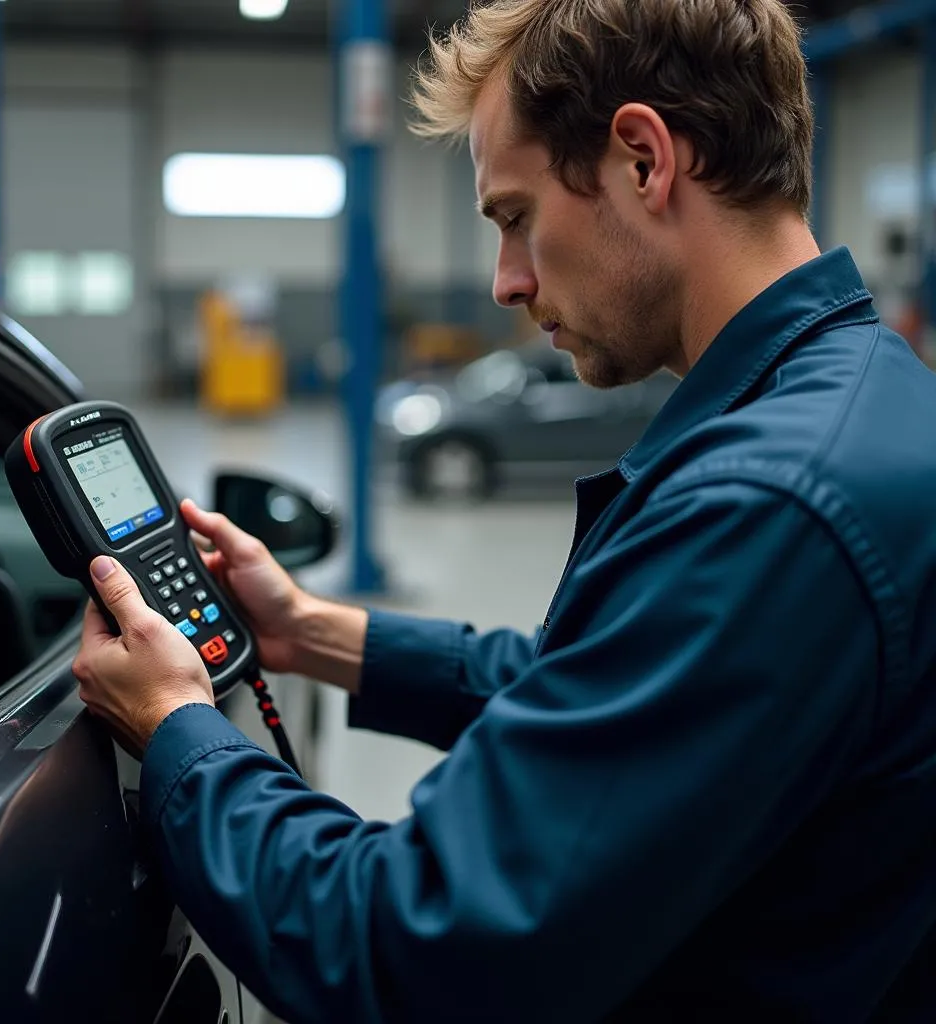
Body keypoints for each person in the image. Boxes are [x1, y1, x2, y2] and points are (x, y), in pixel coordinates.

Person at [73, 0, 936, 1019]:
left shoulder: (766, 505)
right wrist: (312, 631)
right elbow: (616, 696)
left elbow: (414, 945)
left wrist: (177, 730)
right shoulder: (867, 397)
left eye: (515, 215)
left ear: (644, 161)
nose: (504, 282)